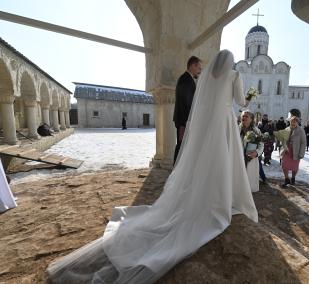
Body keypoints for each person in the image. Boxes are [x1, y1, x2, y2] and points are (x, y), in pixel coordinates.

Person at [47, 50, 258, 284]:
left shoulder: (208, 76)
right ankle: (222, 196)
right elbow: (240, 102)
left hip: (209, 125)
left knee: (205, 162)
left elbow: (203, 104)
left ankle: (206, 193)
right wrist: (249, 97)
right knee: (223, 159)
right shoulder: (234, 75)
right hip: (225, 123)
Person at [172, 55, 202, 164]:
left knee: (182, 145)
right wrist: (189, 121)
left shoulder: (187, 78)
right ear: (193, 66)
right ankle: (175, 171)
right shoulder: (186, 79)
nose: (199, 71)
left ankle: (176, 171)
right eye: (199, 68)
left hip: (183, 120)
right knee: (181, 146)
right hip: (183, 121)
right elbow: (187, 103)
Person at [240, 110, 264, 192]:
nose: (244, 117)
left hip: (251, 157)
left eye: (246, 116)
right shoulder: (236, 129)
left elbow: (261, 144)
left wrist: (256, 153)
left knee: (249, 179)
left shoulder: (256, 131)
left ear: (251, 119)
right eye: (243, 116)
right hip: (238, 157)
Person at [280, 116, 307, 187]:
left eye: (295, 122)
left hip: (296, 151)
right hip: (286, 150)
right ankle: (286, 179)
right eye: (292, 121)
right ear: (290, 122)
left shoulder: (301, 130)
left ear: (297, 122)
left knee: (294, 166)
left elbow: (303, 143)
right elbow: (283, 139)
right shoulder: (287, 129)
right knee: (284, 165)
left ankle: (293, 178)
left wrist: (301, 153)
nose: (293, 123)